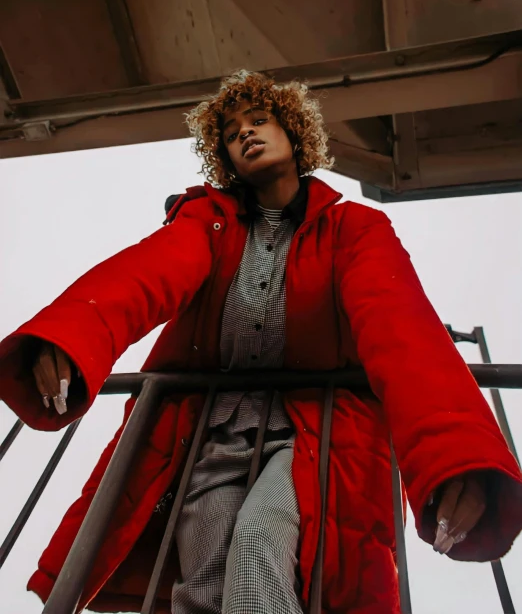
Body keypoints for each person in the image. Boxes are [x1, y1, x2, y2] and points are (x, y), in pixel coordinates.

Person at [0, 69, 521, 614]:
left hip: (314, 435)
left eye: (259, 121)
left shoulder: (353, 228)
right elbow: (143, 277)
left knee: (258, 541)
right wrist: (67, 335)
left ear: (294, 134)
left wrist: (457, 457)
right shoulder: (209, 223)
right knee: (202, 584)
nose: (245, 134)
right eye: (231, 132)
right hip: (210, 433)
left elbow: (401, 328)